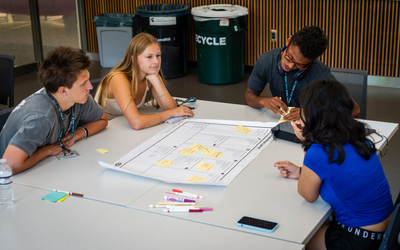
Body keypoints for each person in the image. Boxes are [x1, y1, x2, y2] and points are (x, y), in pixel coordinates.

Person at [274, 79, 393, 250]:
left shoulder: (318, 151)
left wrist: (308, 142)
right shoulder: (358, 137)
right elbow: (341, 172)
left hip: (359, 239)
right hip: (386, 230)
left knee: (295, 236)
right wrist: (303, 172)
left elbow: (307, 195)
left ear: (313, 114)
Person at [0, 46, 108, 174]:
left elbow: (102, 120)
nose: (90, 86)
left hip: (46, 168)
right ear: (63, 90)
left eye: (88, 80)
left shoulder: (78, 98)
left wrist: (76, 135)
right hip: (12, 180)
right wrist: (49, 150)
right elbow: (9, 165)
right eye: (83, 83)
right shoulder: (41, 117)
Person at [245, 26, 360, 121]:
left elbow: (354, 111)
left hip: (309, 128)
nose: (290, 66)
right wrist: (263, 101)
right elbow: (249, 95)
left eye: (299, 65)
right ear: (288, 41)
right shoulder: (266, 60)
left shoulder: (320, 72)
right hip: (279, 122)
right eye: (289, 58)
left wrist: (309, 114)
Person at [95, 32, 194, 130]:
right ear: (134, 59)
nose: (156, 61)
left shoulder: (150, 74)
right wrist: (171, 114)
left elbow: (171, 108)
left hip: (122, 124)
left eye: (158, 55)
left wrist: (157, 81)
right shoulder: (118, 78)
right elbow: (137, 123)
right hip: (104, 129)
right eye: (149, 57)